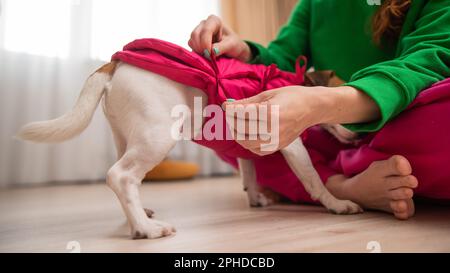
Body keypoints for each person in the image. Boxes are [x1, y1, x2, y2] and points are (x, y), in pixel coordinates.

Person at [188, 0, 450, 220]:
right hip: (331, 133)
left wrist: (319, 104)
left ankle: (324, 176)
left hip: (401, 121)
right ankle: (342, 186)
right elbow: (283, 60)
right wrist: (245, 51)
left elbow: (428, 62)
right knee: (225, 125)